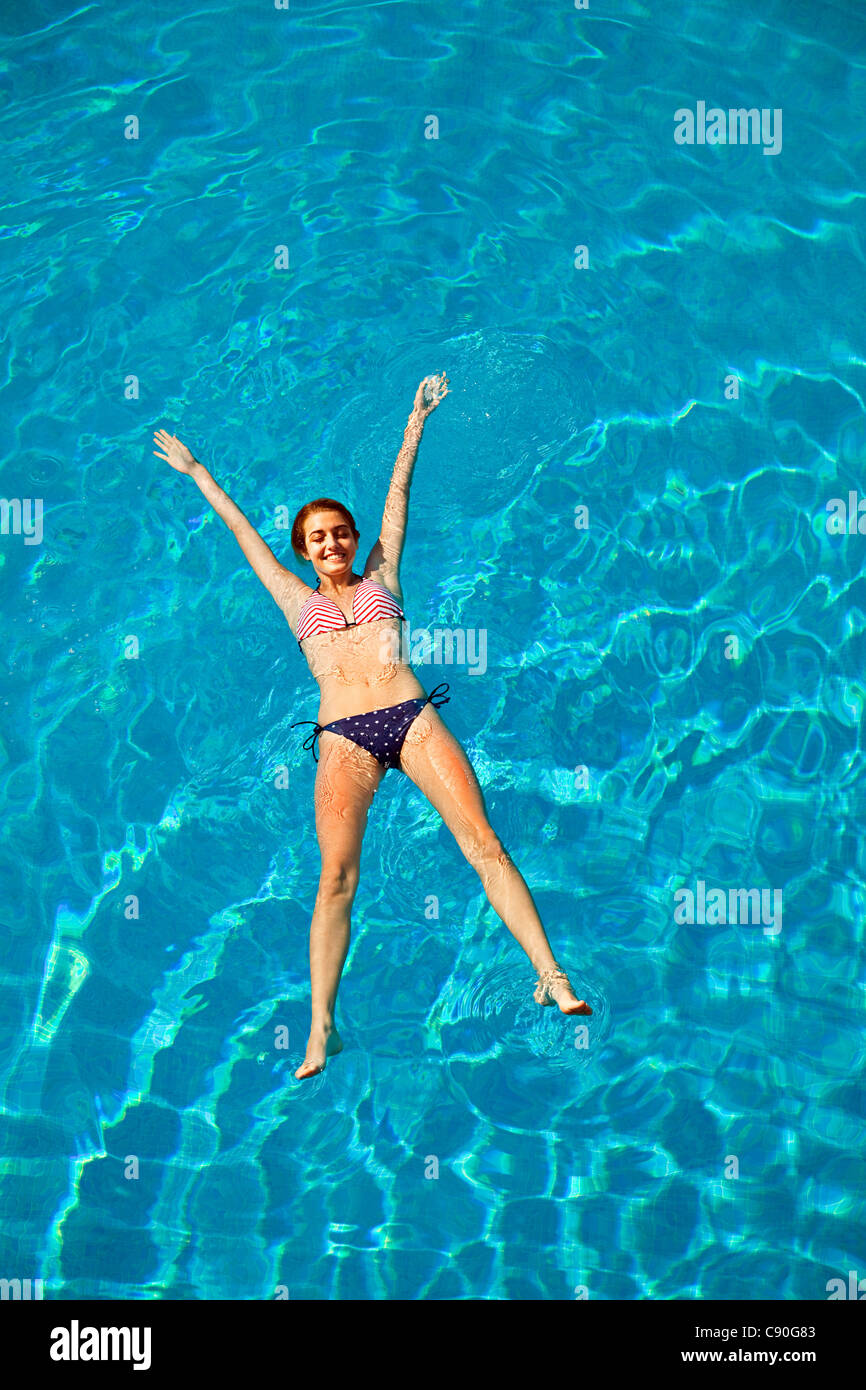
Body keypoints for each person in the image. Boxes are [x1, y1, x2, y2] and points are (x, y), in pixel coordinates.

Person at [152, 373, 591, 1081]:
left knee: (483, 843)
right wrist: (198, 471)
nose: (330, 543)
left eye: (339, 533)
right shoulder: (292, 597)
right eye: (316, 537)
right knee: (335, 879)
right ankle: (322, 1027)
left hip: (413, 720)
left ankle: (551, 975)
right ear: (303, 551)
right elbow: (241, 533)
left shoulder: (383, 576)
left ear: (356, 540)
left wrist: (416, 421)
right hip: (344, 740)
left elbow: (398, 494)